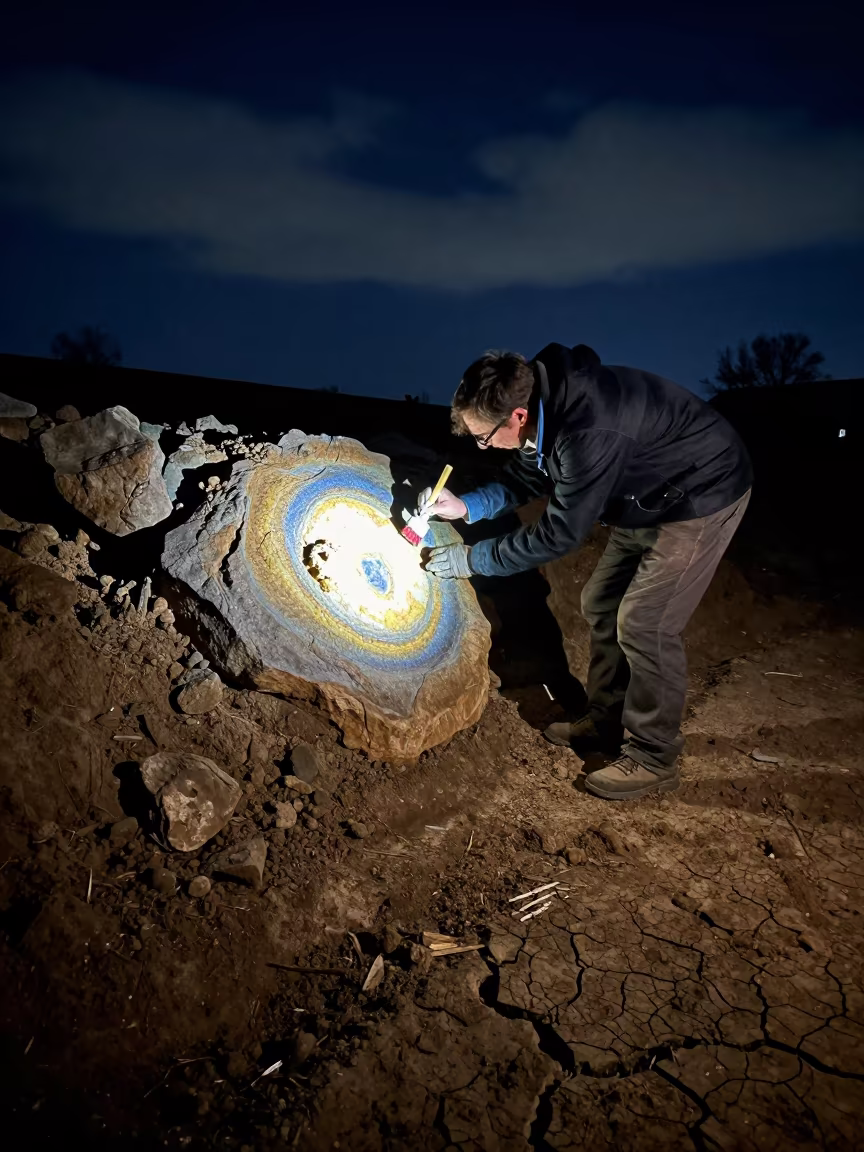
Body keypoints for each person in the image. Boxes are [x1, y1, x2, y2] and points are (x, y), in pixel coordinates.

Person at [420, 343, 752, 800]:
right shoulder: (548, 408)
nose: (483, 445)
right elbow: (529, 476)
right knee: (600, 602)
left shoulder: (587, 430)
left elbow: (558, 534)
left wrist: (472, 560)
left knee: (645, 622)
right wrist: (468, 505)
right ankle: (606, 718)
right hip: (645, 492)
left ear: (517, 417)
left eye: (484, 436)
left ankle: (654, 755)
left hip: (700, 493)